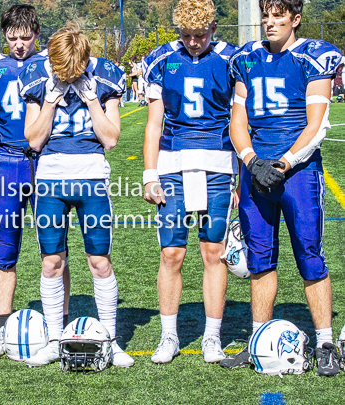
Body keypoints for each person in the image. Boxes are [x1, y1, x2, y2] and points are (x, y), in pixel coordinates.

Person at [222, 0, 342, 376]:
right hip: (256, 169)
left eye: (278, 16)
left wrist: (283, 163)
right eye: (266, 16)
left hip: (297, 172)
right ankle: (260, 342)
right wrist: (251, 160)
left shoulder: (314, 56)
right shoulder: (247, 58)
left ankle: (324, 342)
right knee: (259, 259)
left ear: (296, 19)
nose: (269, 23)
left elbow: (316, 126)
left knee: (309, 254)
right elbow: (237, 120)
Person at [18, 24, 134, 368]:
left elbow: (111, 138)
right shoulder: (37, 76)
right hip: (51, 177)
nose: (67, 76)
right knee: (52, 262)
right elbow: (33, 140)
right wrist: (51, 100)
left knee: (99, 261)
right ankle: (55, 339)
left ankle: (111, 342)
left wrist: (92, 98)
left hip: (92, 177)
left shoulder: (106, 75)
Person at [142, 0, 237, 365]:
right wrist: (150, 174)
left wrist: (240, 175)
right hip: (173, 162)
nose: (194, 42)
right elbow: (154, 124)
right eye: (186, 35)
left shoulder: (231, 60)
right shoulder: (162, 59)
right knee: (171, 253)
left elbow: (239, 118)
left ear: (213, 28)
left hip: (218, 163)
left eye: (200, 35)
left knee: (214, 252)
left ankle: (211, 337)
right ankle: (169, 335)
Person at [0, 4, 71, 357]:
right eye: (13, 38)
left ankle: (61, 324)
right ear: (4, 35)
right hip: (7, 160)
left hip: (48, 159)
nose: (19, 45)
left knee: (55, 247)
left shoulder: (52, 63)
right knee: (3, 248)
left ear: (38, 35)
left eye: (26, 37)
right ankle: (2, 327)